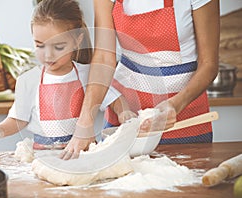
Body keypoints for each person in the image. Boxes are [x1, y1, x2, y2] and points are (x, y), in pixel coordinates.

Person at [61, 0, 220, 159]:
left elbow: (209, 64)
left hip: (184, 117)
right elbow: (103, 57)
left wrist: (175, 104)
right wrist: (85, 123)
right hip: (126, 119)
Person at [0, 0, 135, 154]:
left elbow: (114, 99)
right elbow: (18, 119)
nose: (48, 55)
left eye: (58, 47)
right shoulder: (29, 80)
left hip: (83, 154)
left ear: (77, 41)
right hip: (43, 156)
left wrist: (124, 113)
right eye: (39, 45)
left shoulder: (89, 75)